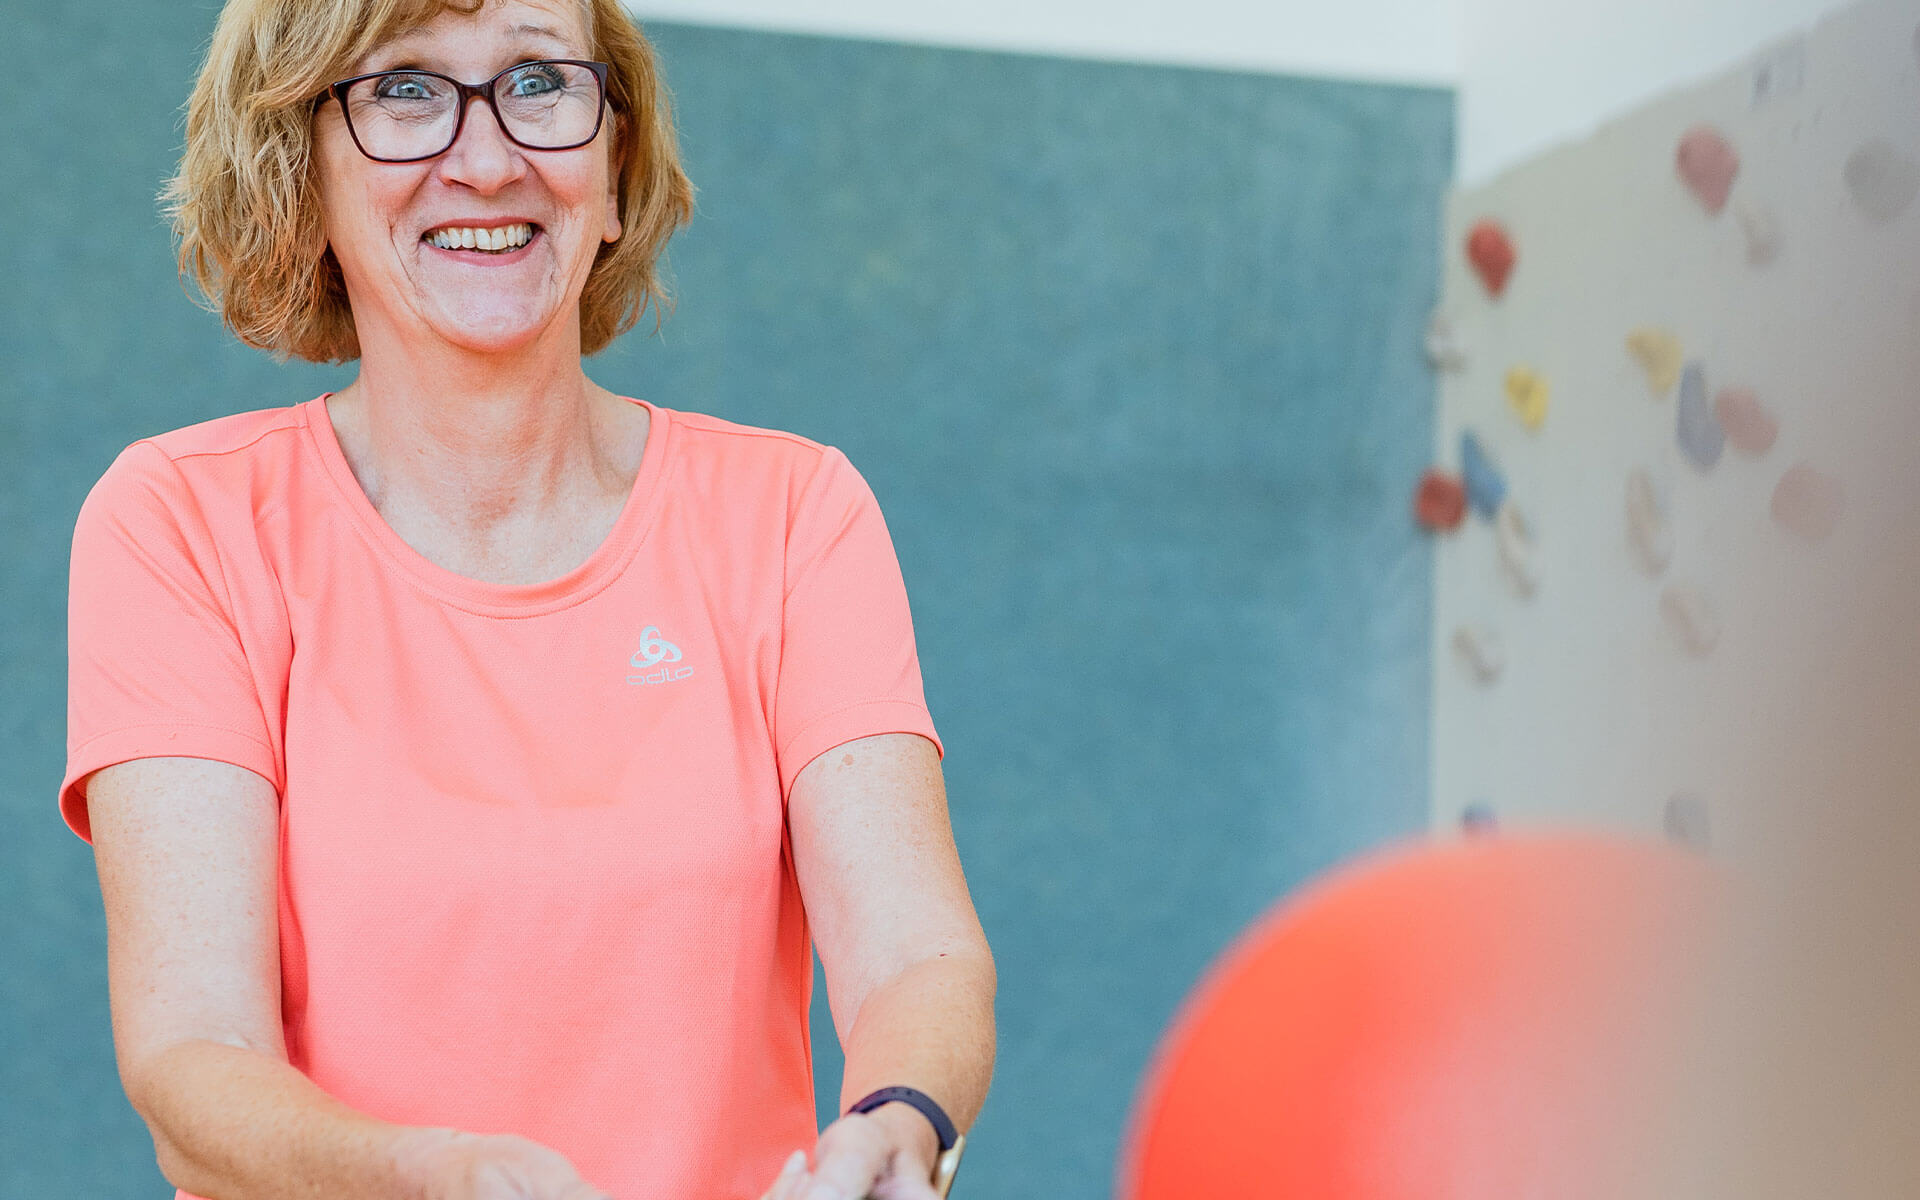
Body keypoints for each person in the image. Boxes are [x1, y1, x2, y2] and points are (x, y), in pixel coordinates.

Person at [59, 0, 995, 1197]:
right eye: (404, 90)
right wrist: (434, 1176)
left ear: (614, 170)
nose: (490, 158)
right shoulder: (181, 522)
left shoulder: (796, 512)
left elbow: (916, 954)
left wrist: (899, 1118)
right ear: (301, 178)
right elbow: (193, 1059)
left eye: (540, 83)